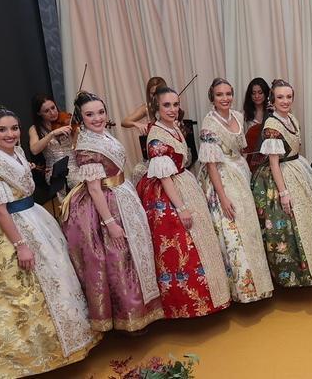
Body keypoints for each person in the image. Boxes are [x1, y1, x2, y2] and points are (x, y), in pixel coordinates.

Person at [0, 106, 98, 377]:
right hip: (11, 227)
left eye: (14, 128)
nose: (10, 134)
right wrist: (21, 244)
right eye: (2, 130)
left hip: (34, 217)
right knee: (15, 292)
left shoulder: (20, 152)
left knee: (57, 276)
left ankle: (69, 338)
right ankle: (25, 356)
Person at [60, 91, 163, 332]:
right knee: (119, 258)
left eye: (100, 112)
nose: (97, 118)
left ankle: (146, 309)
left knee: (136, 252)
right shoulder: (86, 147)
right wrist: (109, 223)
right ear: (81, 117)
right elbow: (94, 189)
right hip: (105, 204)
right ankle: (130, 316)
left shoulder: (102, 135)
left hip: (121, 192)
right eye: (89, 114)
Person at [138, 85, 231, 317]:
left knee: (203, 241)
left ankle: (216, 298)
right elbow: (165, 177)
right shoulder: (156, 135)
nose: (172, 109)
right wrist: (181, 208)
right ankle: (191, 305)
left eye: (175, 104)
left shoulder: (175, 128)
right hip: (170, 195)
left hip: (185, 183)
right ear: (156, 108)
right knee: (185, 247)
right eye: (166, 105)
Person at [252, 79, 312, 287]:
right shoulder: (272, 125)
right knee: (289, 225)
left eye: (288, 97)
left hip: (297, 169)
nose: (285, 101)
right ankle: (296, 276)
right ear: (273, 99)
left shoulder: (292, 118)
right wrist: (283, 193)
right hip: (280, 176)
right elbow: (273, 163)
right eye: (280, 97)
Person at [197, 78, 273, 303]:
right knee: (232, 232)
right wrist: (222, 197)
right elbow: (210, 164)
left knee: (249, 229)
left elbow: (241, 148)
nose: (225, 98)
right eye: (220, 95)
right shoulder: (208, 124)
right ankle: (243, 290)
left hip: (240, 174)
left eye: (228, 93)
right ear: (212, 97)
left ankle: (261, 285)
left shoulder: (238, 116)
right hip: (221, 179)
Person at [28, 94, 74, 196]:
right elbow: (34, 149)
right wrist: (52, 134)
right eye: (46, 111)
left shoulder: (66, 120)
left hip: (75, 165)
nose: (52, 112)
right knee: (77, 182)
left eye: (53, 108)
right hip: (55, 171)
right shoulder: (35, 129)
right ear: (39, 113)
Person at [122, 75, 167, 160]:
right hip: (154, 152)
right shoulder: (147, 108)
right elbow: (124, 122)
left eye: (158, 93)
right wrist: (136, 124)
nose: (155, 97)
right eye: (152, 93)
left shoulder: (171, 108)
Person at [242, 77, 270, 172]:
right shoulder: (244, 115)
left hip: (270, 155)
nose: (257, 96)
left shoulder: (272, 112)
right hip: (251, 158)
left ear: (266, 93)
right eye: (253, 93)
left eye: (260, 92)